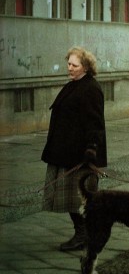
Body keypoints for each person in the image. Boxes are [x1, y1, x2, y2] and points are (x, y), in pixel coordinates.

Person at [41, 47, 107, 251]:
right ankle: (83, 233)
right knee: (70, 197)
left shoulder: (91, 88)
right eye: (68, 64)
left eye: (74, 65)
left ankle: (84, 234)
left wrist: (91, 150)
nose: (69, 68)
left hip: (80, 155)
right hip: (65, 151)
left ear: (85, 67)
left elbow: (95, 123)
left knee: (79, 197)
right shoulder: (74, 84)